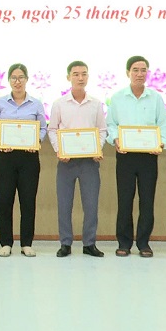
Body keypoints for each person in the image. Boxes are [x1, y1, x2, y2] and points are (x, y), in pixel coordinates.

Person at [106, 55, 166, 258]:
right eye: (135, 70)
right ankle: (124, 243)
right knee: (125, 201)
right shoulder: (118, 98)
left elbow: (164, 124)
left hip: (148, 157)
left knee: (147, 201)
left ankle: (144, 243)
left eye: (143, 70)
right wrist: (116, 139)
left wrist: (161, 142)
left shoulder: (155, 98)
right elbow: (111, 124)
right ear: (128, 73)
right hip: (125, 156)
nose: (139, 74)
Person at [48, 61, 107, 258]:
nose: (80, 78)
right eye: (76, 74)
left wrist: (98, 148)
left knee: (91, 204)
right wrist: (59, 150)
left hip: (90, 162)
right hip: (66, 162)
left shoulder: (96, 104)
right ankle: (65, 243)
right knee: (64, 204)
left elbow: (102, 130)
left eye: (84, 74)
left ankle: (89, 243)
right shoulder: (59, 104)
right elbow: (52, 129)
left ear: (88, 77)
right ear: (68, 77)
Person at [0, 63, 47, 257]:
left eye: (21, 77)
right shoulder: (0, 102)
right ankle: (6, 243)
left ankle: (26, 243)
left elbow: (43, 128)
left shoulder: (36, 104)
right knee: (4, 201)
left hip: (29, 158)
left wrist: (37, 141)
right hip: (5, 158)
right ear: (9, 80)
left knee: (28, 201)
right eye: (14, 77)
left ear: (27, 79)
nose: (17, 81)